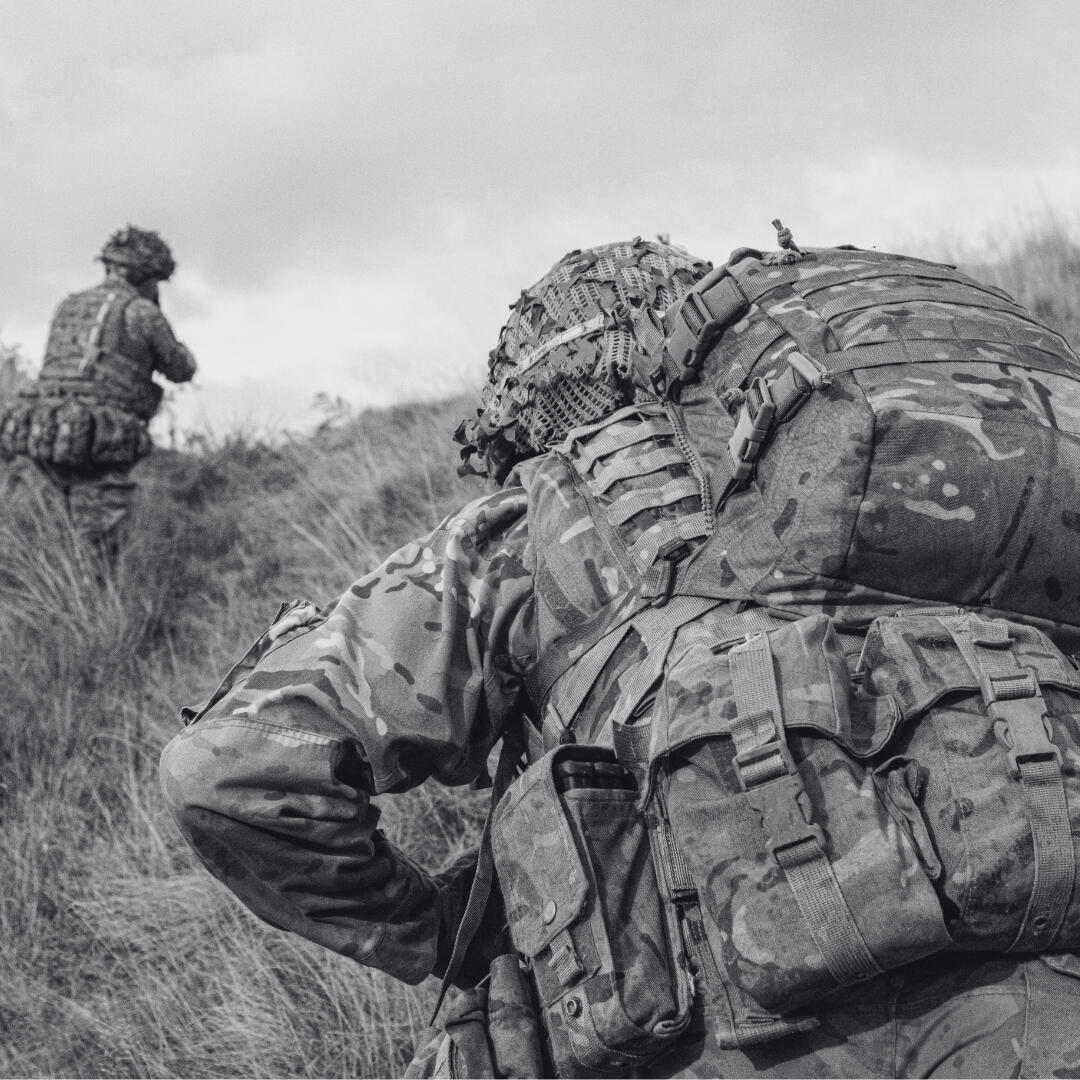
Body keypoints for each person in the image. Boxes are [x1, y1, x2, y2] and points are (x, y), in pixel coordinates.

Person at [160, 233, 1080, 1078]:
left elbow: (228, 769)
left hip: (728, 1034)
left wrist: (439, 936)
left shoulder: (526, 527)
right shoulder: (922, 462)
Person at [0, 225, 196, 550]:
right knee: (99, 545)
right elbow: (181, 369)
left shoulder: (69, 305)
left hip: (45, 434)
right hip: (101, 442)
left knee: (52, 531)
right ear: (147, 276)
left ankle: (50, 585)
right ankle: (89, 599)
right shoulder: (142, 313)